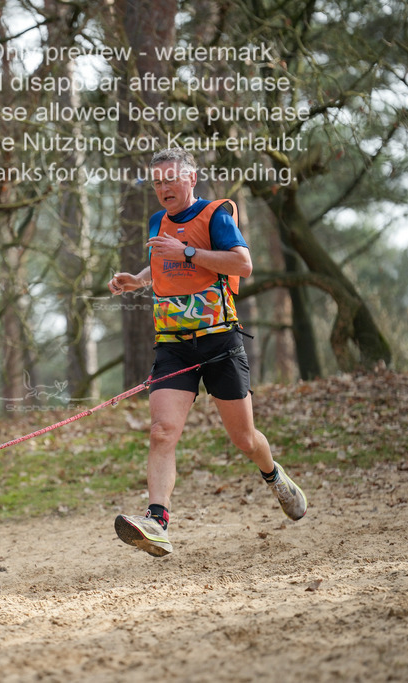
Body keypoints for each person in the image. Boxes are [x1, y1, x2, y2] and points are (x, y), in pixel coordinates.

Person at [107, 147, 307, 557]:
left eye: (170, 179)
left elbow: (242, 264)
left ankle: (274, 475)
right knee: (162, 431)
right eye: (157, 182)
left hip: (219, 343)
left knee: (245, 439)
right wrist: (138, 280)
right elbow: (164, 265)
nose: (163, 188)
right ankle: (157, 522)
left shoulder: (215, 215)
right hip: (173, 345)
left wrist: (187, 252)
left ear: (191, 178)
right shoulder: (157, 221)